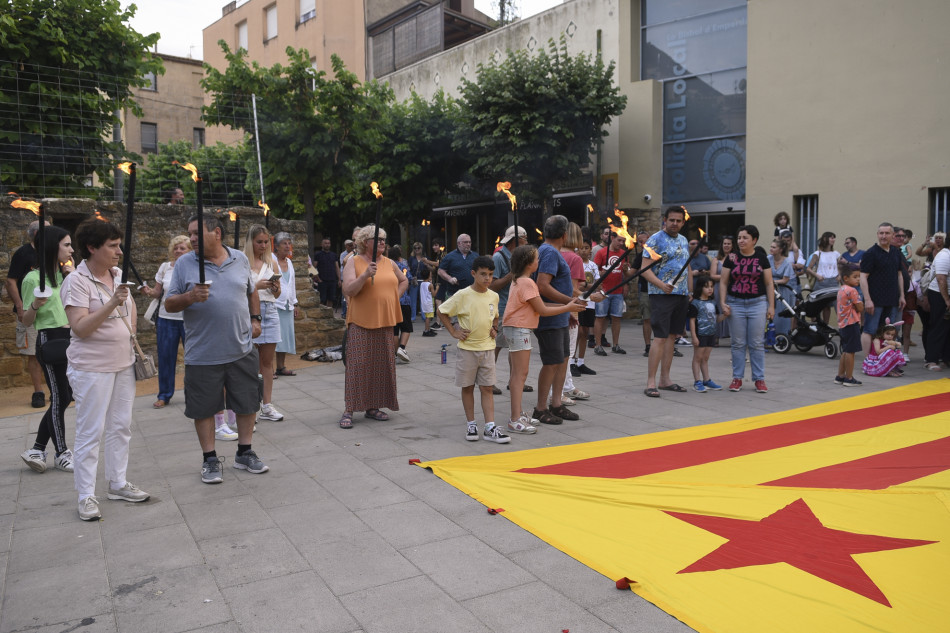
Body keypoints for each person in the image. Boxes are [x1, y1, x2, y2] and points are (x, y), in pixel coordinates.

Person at [166, 215, 268, 484]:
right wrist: (190, 297)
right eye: (190, 234)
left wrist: (256, 319)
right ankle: (210, 459)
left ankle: (244, 452)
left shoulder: (239, 259)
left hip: (241, 347)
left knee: (247, 402)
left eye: (198, 232)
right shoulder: (185, 264)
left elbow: (251, 291)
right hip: (203, 353)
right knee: (204, 408)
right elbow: (169, 304)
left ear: (217, 233)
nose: (193, 238)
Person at [61, 218, 150, 520]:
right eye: (112, 246)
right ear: (91, 248)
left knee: (121, 426)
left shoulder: (118, 275)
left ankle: (117, 482)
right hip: (91, 369)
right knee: (91, 431)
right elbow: (80, 328)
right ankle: (86, 495)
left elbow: (132, 309)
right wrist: (112, 302)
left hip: (123, 364)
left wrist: (130, 337)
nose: (119, 252)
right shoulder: (76, 280)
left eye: (118, 245)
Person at [503, 245, 586, 434]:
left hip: (517, 328)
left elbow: (539, 305)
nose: (539, 262)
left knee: (519, 373)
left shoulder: (522, 281)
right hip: (518, 329)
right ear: (529, 263)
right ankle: (514, 418)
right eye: (536, 259)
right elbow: (543, 310)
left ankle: (518, 414)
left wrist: (568, 305)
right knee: (519, 375)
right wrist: (567, 307)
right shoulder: (527, 283)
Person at [533, 215, 601, 423]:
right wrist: (568, 304)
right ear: (564, 235)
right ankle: (540, 408)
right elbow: (543, 285)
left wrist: (578, 299)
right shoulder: (549, 253)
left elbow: (562, 286)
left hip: (561, 316)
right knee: (552, 363)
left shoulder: (552, 252)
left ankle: (556, 404)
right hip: (551, 317)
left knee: (563, 361)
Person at [339, 225, 407, 429]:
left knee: (381, 365)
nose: (382, 243)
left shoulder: (389, 263)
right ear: (365, 242)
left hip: (385, 320)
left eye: (384, 239)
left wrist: (393, 298)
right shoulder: (354, 262)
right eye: (378, 239)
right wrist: (365, 275)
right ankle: (349, 408)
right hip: (360, 320)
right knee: (357, 366)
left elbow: (403, 281)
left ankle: (373, 407)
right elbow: (348, 289)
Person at [19, 226, 74, 473]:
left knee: (64, 398)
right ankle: (61, 452)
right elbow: (26, 320)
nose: (71, 249)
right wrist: (35, 303)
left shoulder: (68, 275)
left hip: (71, 338)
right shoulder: (33, 279)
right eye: (66, 245)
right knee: (59, 397)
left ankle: (38, 448)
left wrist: (73, 277)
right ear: (53, 247)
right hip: (49, 340)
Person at [438, 255, 508, 443]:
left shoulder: (493, 295)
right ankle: (471, 423)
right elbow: (442, 311)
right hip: (467, 350)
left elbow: (495, 315)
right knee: (467, 387)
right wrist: (453, 331)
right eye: (483, 274)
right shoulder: (462, 295)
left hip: (487, 349)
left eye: (491, 275)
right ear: (473, 274)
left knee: (487, 388)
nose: (487, 279)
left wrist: (494, 328)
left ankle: (490, 426)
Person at [642, 206, 692, 397]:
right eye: (672, 220)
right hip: (661, 294)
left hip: (680, 294)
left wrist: (690, 291)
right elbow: (644, 269)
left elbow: (686, 267)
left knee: (672, 336)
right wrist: (661, 285)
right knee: (661, 337)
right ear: (665, 220)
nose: (675, 224)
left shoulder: (684, 240)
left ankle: (665, 379)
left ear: (683, 222)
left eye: (679, 221)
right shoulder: (655, 239)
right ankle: (651, 382)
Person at [720, 225, 775, 393]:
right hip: (735, 303)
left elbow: (768, 283)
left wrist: (771, 306)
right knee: (737, 343)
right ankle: (737, 378)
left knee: (757, 343)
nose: (741, 241)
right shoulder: (732, 258)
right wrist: (722, 302)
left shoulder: (761, 258)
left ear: (754, 240)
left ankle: (759, 379)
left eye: (745, 238)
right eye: (739, 238)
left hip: (757, 303)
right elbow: (723, 282)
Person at [142, 235, 191, 409]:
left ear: (190, 250)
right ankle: (164, 395)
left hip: (188, 319)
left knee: (192, 358)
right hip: (166, 319)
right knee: (165, 358)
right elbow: (158, 292)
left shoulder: (193, 267)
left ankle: (192, 394)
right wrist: (148, 291)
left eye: (182, 248)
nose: (178, 250)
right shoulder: (164, 267)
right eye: (176, 247)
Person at [5, 220, 47, 408]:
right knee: (34, 354)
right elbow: (11, 282)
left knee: (58, 350)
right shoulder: (23, 253)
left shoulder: (53, 252)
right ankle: (38, 392)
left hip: (51, 312)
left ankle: (59, 389)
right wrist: (20, 307)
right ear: (36, 233)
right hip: (29, 312)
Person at [244, 225, 284, 422]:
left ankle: (267, 405)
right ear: (250, 241)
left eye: (265, 242)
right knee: (248, 362)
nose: (262, 245)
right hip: (250, 311)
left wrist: (275, 287)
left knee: (267, 362)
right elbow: (238, 290)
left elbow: (279, 294)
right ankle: (249, 406)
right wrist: (256, 286)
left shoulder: (271, 262)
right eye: (259, 241)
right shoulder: (242, 262)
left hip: (270, 309)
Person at [489, 225, 529, 394]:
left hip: (517, 309)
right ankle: (488, 381)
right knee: (495, 346)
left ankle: (516, 380)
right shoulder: (498, 258)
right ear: (516, 240)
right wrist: (511, 273)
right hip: (501, 308)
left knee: (516, 346)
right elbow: (491, 285)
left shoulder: (519, 256)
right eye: (524, 238)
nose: (526, 241)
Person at [859, 223, 905, 356]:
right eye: (881, 233)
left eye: (887, 233)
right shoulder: (871, 253)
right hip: (875, 300)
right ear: (877, 234)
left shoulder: (896, 252)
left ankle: (886, 360)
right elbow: (863, 278)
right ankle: (868, 360)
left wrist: (902, 295)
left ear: (892, 235)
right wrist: (867, 299)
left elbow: (899, 275)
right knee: (870, 330)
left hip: (892, 299)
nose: (883, 236)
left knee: (890, 332)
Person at [558, 222, 591, 404]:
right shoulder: (575, 258)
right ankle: (559, 391)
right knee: (567, 353)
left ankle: (567, 386)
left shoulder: (555, 253)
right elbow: (572, 290)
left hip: (553, 306)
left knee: (564, 352)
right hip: (569, 308)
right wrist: (590, 296)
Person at [593, 231, 629, 356]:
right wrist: (601, 275)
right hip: (603, 290)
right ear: (612, 238)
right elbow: (595, 272)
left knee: (616, 318)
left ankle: (616, 345)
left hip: (617, 291)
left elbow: (627, 273)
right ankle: (598, 345)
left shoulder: (624, 254)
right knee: (600, 317)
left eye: (623, 241)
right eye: (619, 240)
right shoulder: (601, 252)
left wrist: (625, 281)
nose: (622, 243)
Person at [688, 275, 723, 393]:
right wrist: (694, 336)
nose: (710, 289)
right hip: (700, 333)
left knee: (705, 358)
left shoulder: (713, 302)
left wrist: (726, 315)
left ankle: (706, 380)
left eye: (712, 287)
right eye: (706, 287)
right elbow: (692, 321)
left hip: (711, 334)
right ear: (700, 288)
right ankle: (697, 381)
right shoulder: (695, 303)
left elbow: (716, 319)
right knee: (698, 358)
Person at [273, 232, 299, 376]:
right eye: (284, 243)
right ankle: (267, 368)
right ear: (276, 246)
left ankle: (281, 367)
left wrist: (295, 303)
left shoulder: (289, 262)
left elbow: (292, 284)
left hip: (287, 304)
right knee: (272, 337)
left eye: (289, 243)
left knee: (285, 337)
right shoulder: (271, 260)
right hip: (275, 304)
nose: (288, 246)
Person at [835, 264, 864, 387]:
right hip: (852, 323)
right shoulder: (852, 291)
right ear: (846, 278)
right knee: (851, 352)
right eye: (855, 277)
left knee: (846, 351)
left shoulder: (842, 289)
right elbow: (860, 307)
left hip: (843, 324)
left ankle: (840, 376)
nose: (858, 279)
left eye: (859, 276)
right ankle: (849, 377)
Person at [923, 240, 950, 371]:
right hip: (940, 295)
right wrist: (947, 300)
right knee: (938, 326)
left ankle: (946, 358)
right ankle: (931, 360)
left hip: (945, 295)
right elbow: (941, 279)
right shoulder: (944, 255)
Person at [574, 235, 598, 375]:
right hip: (578, 300)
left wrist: (590, 286)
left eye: (586, 248)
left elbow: (596, 282)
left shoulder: (593, 265)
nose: (584, 251)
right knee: (577, 332)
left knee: (585, 333)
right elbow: (576, 285)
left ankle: (581, 361)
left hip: (589, 303)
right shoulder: (576, 263)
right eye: (581, 248)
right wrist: (585, 287)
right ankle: (572, 361)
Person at [806, 231, 840, 324]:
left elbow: (840, 266)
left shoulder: (836, 253)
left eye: (834, 237)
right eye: (831, 237)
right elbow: (808, 268)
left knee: (836, 304)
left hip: (833, 281)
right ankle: (819, 325)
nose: (833, 239)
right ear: (826, 239)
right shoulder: (817, 253)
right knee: (822, 305)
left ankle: (828, 326)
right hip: (822, 282)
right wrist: (817, 275)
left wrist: (839, 276)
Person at [710, 235, 736, 344]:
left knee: (731, 310)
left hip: (731, 289)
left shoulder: (736, 258)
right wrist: (726, 277)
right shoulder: (716, 260)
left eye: (729, 243)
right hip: (718, 289)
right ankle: (715, 337)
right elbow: (712, 275)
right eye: (725, 243)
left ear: (732, 245)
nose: (726, 245)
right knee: (717, 311)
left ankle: (732, 336)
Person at [389, 245, 413, 363]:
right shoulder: (403, 267)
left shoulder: (386, 267)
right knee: (406, 327)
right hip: (404, 301)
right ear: (399, 257)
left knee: (394, 328)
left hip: (390, 301)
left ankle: (393, 352)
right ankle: (402, 348)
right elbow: (408, 280)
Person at [768, 238, 795, 336]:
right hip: (769, 290)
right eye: (771, 246)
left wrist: (772, 281)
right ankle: (768, 337)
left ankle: (781, 336)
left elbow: (785, 280)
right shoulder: (768, 259)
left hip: (782, 290)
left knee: (780, 315)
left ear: (780, 249)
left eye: (774, 247)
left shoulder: (787, 263)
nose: (771, 249)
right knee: (768, 313)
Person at [438, 234, 478, 299]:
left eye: (469, 242)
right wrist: (449, 279)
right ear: (459, 243)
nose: (468, 244)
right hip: (455, 294)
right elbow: (440, 271)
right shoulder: (450, 256)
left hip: (472, 293)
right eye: (465, 242)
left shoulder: (475, 256)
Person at [312, 237, 341, 308]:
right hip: (322, 281)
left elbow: (337, 267)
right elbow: (313, 267)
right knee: (322, 299)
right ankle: (321, 316)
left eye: (328, 243)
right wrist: (318, 278)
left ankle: (329, 316)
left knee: (331, 299)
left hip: (332, 280)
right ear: (322, 244)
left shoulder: (334, 255)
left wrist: (339, 279)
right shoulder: (318, 254)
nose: (327, 245)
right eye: (325, 243)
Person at [408, 242, 427, 320]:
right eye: (415, 248)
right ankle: (413, 316)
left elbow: (429, 269)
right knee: (413, 299)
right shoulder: (411, 258)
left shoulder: (425, 257)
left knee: (423, 299)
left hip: (423, 280)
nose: (417, 249)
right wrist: (410, 278)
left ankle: (424, 316)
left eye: (418, 248)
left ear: (421, 249)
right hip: (414, 280)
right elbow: (408, 269)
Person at [418, 267, 437, 336]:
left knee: (427, 317)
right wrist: (437, 288)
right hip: (428, 303)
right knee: (428, 318)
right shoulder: (430, 285)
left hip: (424, 302)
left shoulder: (422, 283)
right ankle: (426, 330)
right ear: (429, 276)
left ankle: (428, 329)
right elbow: (434, 294)